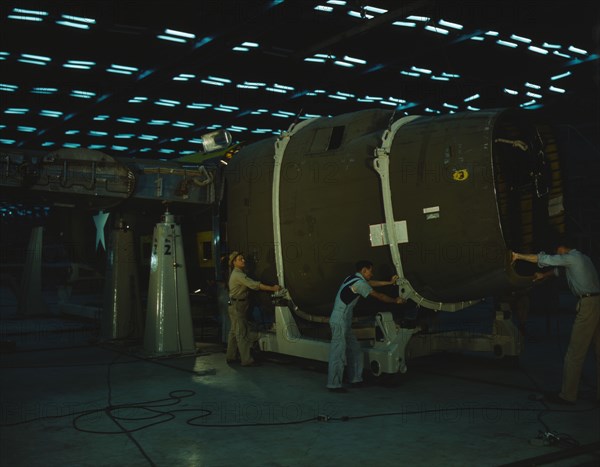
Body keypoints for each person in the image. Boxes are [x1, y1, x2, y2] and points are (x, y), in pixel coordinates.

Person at [512, 244, 600, 405]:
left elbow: (544, 259)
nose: (556, 253)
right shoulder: (583, 258)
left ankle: (568, 395)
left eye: (557, 251)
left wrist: (518, 256)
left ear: (562, 248)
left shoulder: (572, 257)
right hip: (597, 302)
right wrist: (543, 276)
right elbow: (558, 271)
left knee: (575, 353)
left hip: (588, 306)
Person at [327, 260, 405, 393]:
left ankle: (356, 379)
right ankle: (334, 385)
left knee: (355, 349)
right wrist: (395, 300)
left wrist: (389, 282)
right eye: (370, 271)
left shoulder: (352, 278)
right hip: (339, 320)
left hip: (344, 320)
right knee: (338, 353)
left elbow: (370, 283)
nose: (372, 274)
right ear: (363, 270)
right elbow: (378, 296)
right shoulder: (359, 283)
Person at [226, 251, 281, 367]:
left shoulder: (238, 273)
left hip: (236, 305)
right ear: (234, 262)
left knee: (234, 331)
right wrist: (272, 288)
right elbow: (254, 285)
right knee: (242, 333)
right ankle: (246, 360)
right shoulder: (238, 275)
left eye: (243, 258)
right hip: (237, 306)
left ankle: (230, 356)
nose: (243, 260)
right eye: (240, 259)